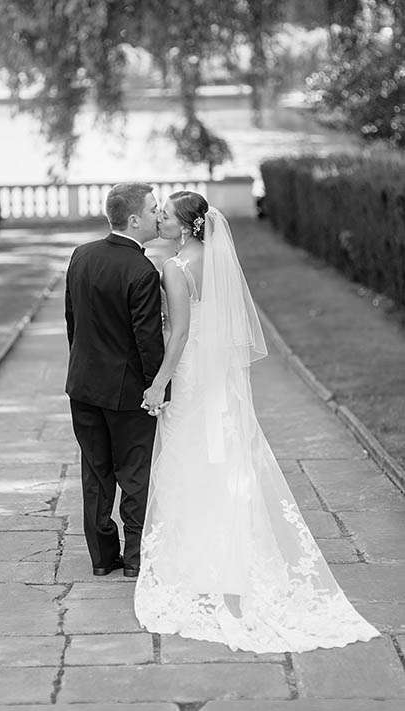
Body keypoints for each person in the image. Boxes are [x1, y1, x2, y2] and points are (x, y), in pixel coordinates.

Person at [133, 190, 380, 652]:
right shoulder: (216, 260)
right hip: (219, 377)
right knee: (224, 456)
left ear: (186, 226)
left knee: (187, 455)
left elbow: (182, 332)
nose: (160, 221)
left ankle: (194, 557)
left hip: (189, 375)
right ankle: (228, 550)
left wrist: (157, 383)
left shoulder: (175, 267)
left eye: (165, 216)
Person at [65, 182, 165, 578]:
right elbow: (148, 341)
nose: (159, 215)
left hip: (84, 385)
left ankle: (103, 559)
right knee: (133, 474)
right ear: (135, 218)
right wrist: (158, 389)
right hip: (128, 394)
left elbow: (74, 322)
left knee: (95, 472)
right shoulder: (142, 270)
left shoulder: (81, 255)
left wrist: (83, 366)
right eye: (155, 208)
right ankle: (135, 559)